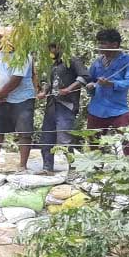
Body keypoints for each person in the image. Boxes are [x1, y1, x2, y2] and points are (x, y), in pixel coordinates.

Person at [0, 29, 35, 169]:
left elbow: (16, 79)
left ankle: (22, 165)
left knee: (24, 132)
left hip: (23, 98)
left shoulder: (23, 56)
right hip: (3, 98)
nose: (0, 41)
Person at [86, 28, 129, 158]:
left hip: (118, 109)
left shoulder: (127, 61)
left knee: (127, 140)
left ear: (114, 45)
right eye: (99, 43)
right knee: (93, 141)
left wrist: (112, 84)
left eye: (103, 43)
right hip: (97, 108)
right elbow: (90, 80)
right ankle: (96, 170)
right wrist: (90, 86)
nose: (99, 46)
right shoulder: (97, 62)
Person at [38, 42, 87, 174]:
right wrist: (44, 91)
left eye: (52, 47)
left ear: (60, 47)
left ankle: (73, 169)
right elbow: (50, 83)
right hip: (52, 105)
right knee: (47, 137)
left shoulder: (72, 60)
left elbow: (84, 77)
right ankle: (47, 167)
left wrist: (68, 89)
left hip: (66, 105)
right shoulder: (53, 64)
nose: (51, 50)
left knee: (65, 139)